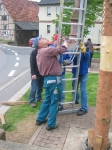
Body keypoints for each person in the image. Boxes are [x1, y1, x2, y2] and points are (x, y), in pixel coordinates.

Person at [36, 37, 67, 131]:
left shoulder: (40, 52)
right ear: (40, 44)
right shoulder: (46, 50)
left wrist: (56, 43)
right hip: (54, 79)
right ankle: (51, 124)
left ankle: (40, 119)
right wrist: (65, 42)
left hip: (47, 79)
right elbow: (62, 49)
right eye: (42, 39)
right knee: (55, 102)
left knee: (47, 100)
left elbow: (54, 49)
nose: (45, 39)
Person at [72, 47, 90, 116]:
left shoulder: (86, 50)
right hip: (75, 72)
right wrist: (76, 54)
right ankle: (76, 100)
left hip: (83, 73)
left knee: (83, 90)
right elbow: (73, 59)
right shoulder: (75, 50)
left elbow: (87, 57)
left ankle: (84, 108)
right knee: (74, 88)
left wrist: (84, 51)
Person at [29, 36, 44, 108]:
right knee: (34, 88)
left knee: (40, 87)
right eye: (40, 40)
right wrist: (33, 74)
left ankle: (39, 98)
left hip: (42, 73)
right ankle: (32, 101)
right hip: (36, 74)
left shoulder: (43, 51)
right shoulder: (34, 52)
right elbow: (32, 64)